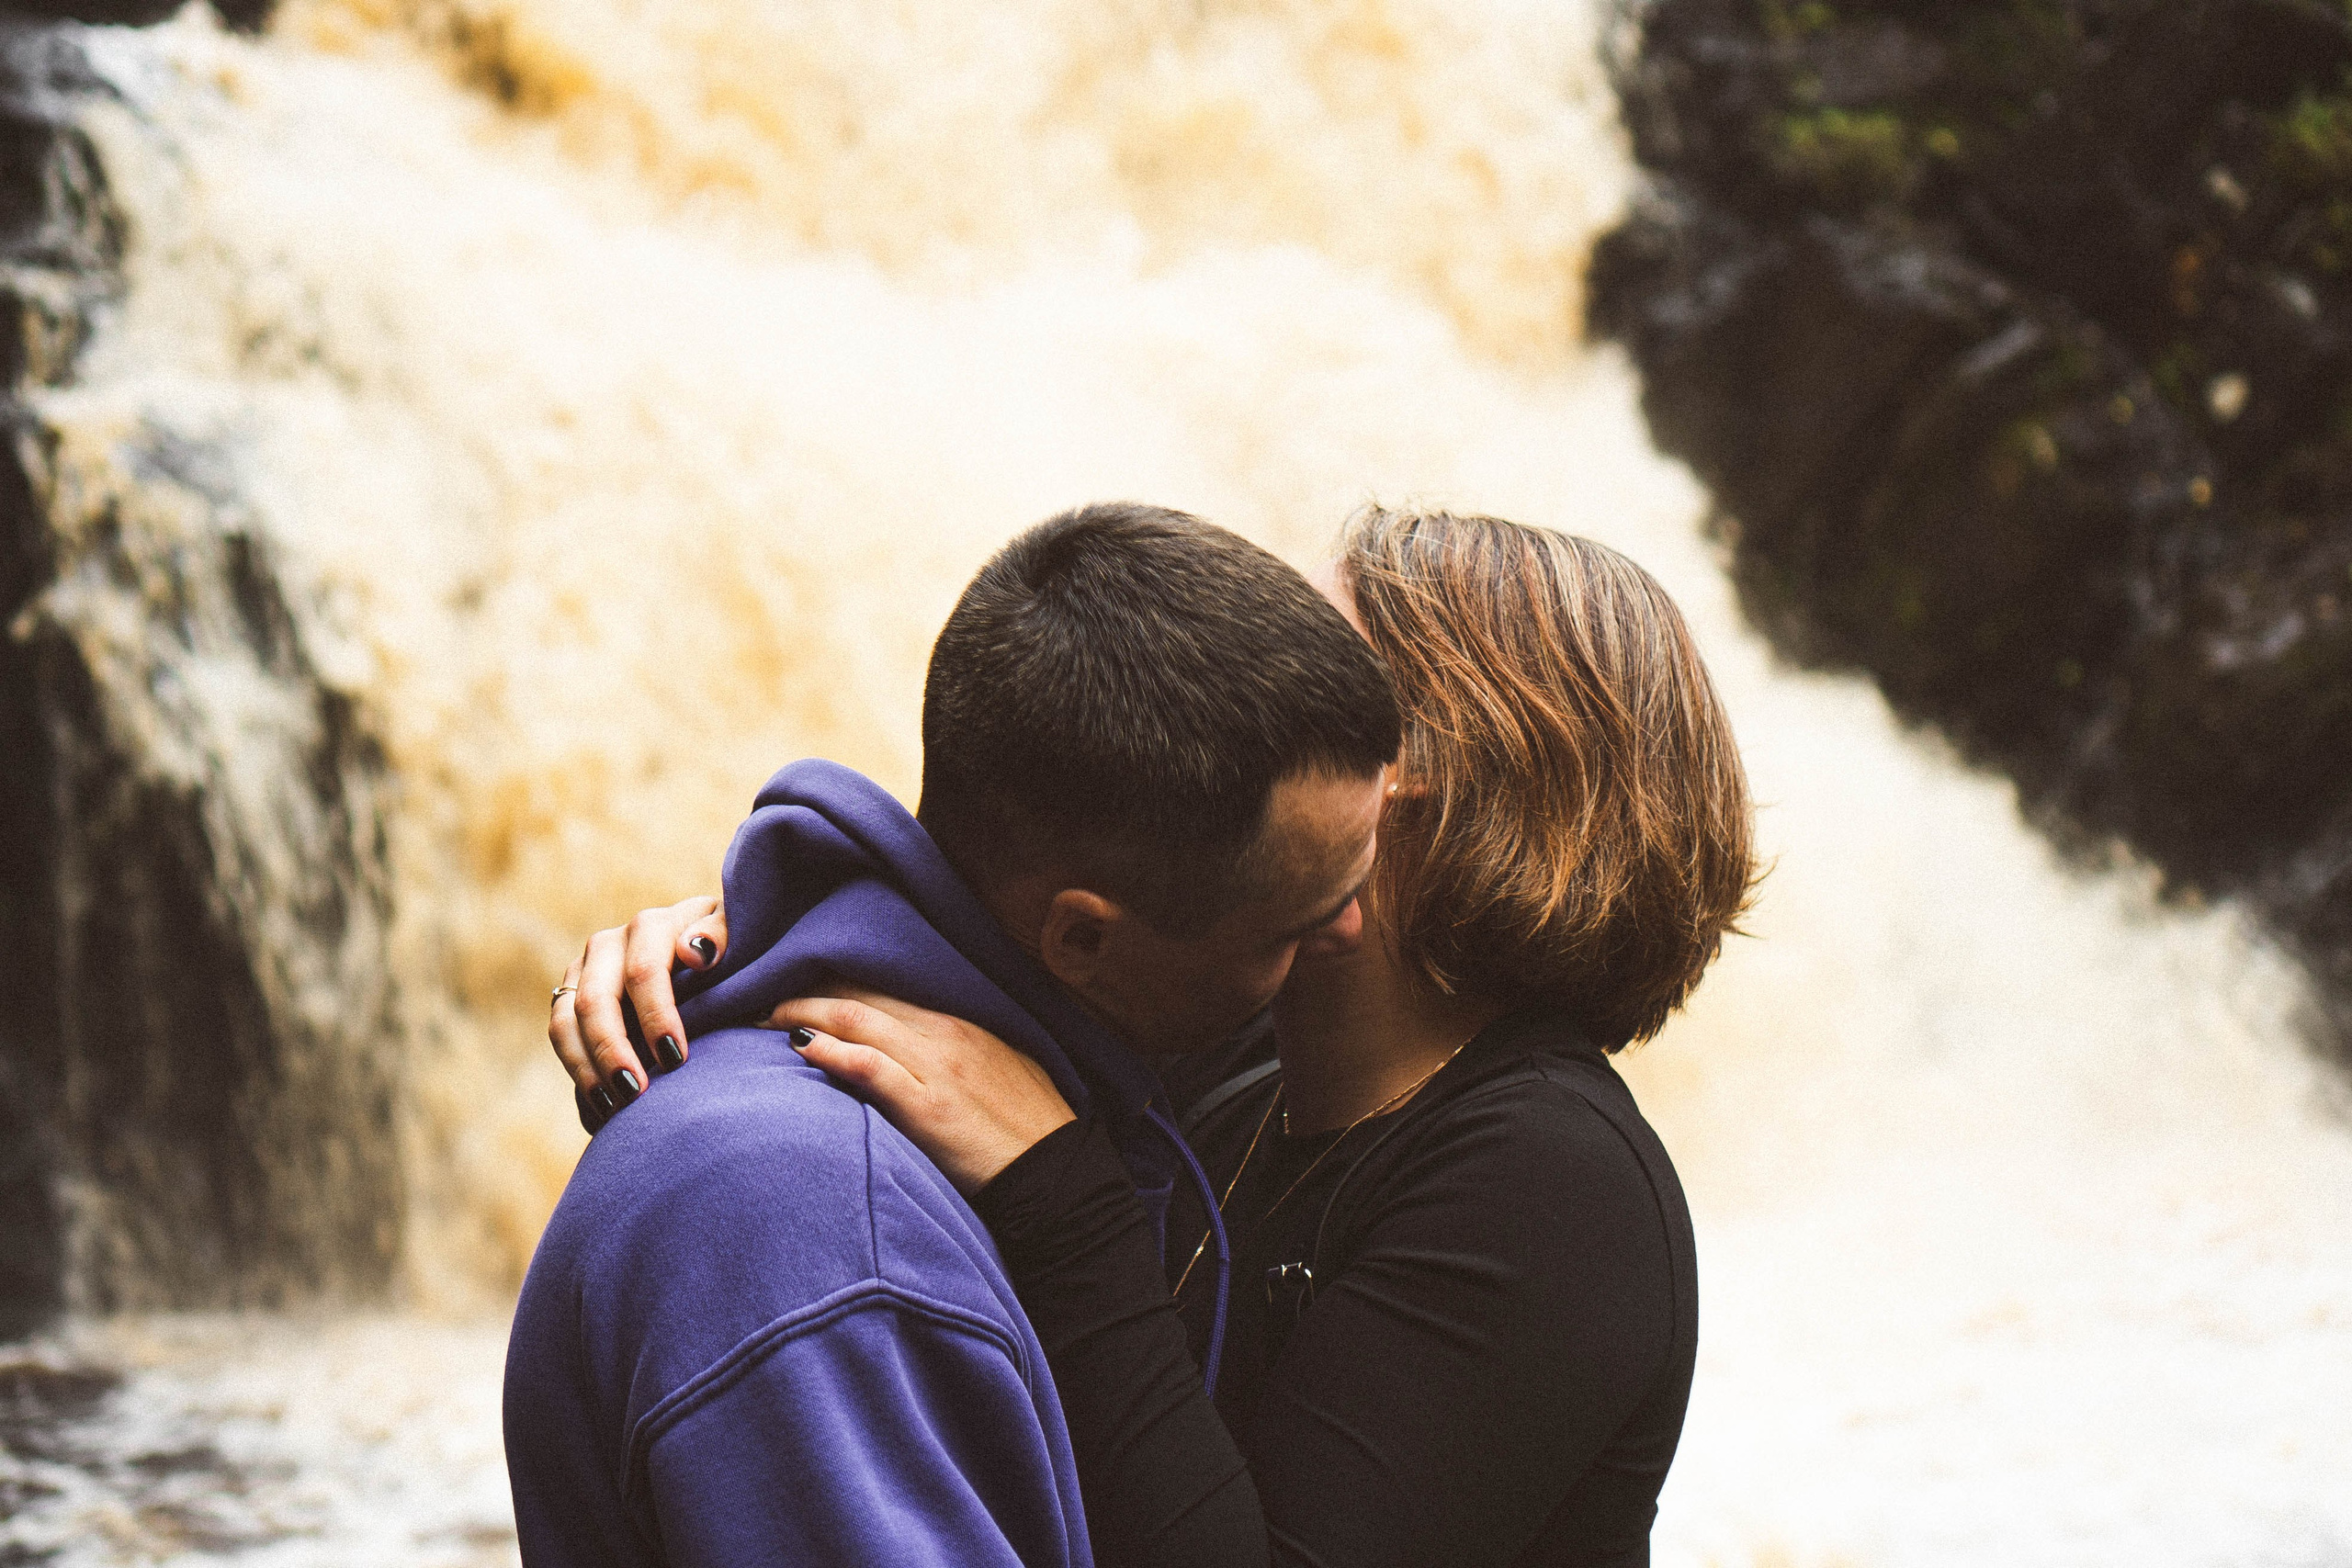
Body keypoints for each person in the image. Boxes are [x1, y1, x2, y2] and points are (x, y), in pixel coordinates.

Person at [560, 506, 1757, 1566]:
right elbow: (1030, 901)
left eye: (1318, 664)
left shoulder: (1549, 1175)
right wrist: (728, 946)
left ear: (1445, 772)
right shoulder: (1229, 1047)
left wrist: (1065, 1204)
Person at [506, 502, 1401, 1567]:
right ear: (1079, 940)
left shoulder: (1032, 1105)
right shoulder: (824, 1241)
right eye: (1295, 926)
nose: (1354, 926)